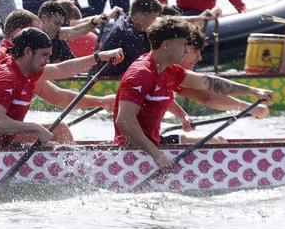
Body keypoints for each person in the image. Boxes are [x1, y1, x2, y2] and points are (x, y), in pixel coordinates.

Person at [114, 17, 275, 169]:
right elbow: (124, 121)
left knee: (217, 142)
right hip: (133, 152)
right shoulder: (140, 74)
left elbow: (209, 82)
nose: (186, 50)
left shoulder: (170, 70)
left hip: (154, 143)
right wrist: (158, 156)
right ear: (166, 45)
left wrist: (253, 91)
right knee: (215, 144)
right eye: (183, 44)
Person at [0, 28, 114, 148]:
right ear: (27, 52)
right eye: (44, 55)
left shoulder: (25, 70)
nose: (48, 60)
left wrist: (99, 57)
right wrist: (35, 128)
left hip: (2, 143)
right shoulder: (5, 79)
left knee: (60, 130)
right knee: (57, 139)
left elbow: (61, 69)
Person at [98, 0, 164, 77]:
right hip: (109, 80)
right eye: (153, 18)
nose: (154, 22)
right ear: (139, 15)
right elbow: (145, 64)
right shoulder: (128, 33)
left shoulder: (127, 19)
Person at [38, 1, 111, 63]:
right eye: (56, 23)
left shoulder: (57, 35)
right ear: (44, 19)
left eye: (60, 24)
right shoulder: (30, 35)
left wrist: (94, 22)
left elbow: (75, 31)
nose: (59, 28)